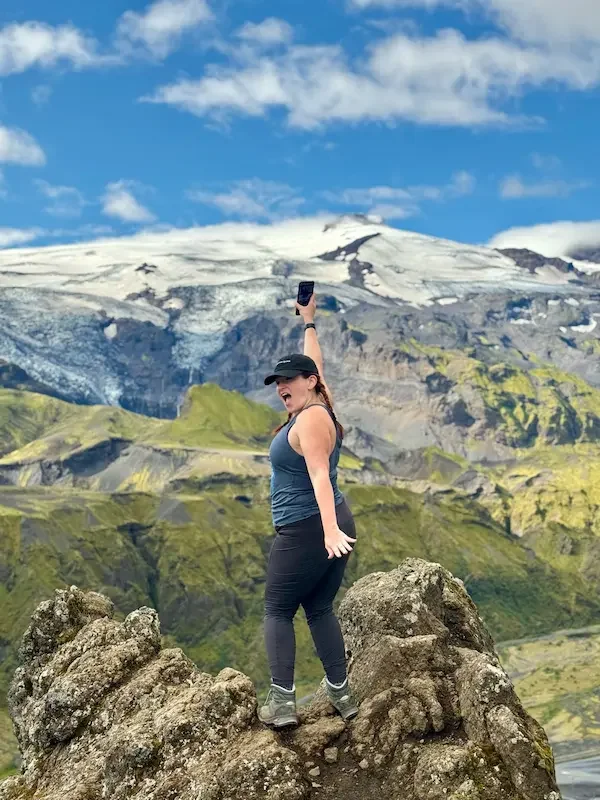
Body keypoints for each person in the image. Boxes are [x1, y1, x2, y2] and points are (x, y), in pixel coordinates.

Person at [258, 291, 359, 729]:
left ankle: (282, 704)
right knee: (318, 609)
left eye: (289, 381)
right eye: (278, 383)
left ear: (310, 382)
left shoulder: (312, 420)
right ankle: (342, 695)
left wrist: (329, 532)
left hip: (309, 529)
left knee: (277, 610)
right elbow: (313, 362)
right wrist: (309, 322)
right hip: (324, 523)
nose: (282, 388)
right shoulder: (318, 404)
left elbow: (319, 474)